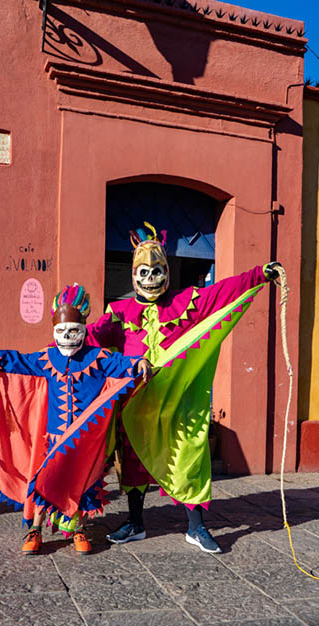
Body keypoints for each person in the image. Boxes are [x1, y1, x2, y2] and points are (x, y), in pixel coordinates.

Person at [87, 222, 280, 553]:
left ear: (167, 271)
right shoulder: (119, 312)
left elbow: (223, 292)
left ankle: (196, 527)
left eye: (157, 270)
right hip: (136, 404)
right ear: (134, 274)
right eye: (143, 271)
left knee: (188, 457)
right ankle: (135, 523)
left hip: (178, 403)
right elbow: (88, 338)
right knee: (133, 463)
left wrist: (258, 274)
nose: (150, 278)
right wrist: (61, 337)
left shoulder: (187, 302)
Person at [0, 283, 151, 555]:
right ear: (53, 332)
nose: (67, 337)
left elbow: (122, 364)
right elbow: (20, 361)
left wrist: (138, 363)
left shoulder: (98, 357)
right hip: (53, 437)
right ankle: (35, 529)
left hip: (85, 440)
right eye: (61, 331)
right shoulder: (46, 359)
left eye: (73, 331)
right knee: (44, 480)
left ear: (83, 330)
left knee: (82, 483)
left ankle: (78, 529)